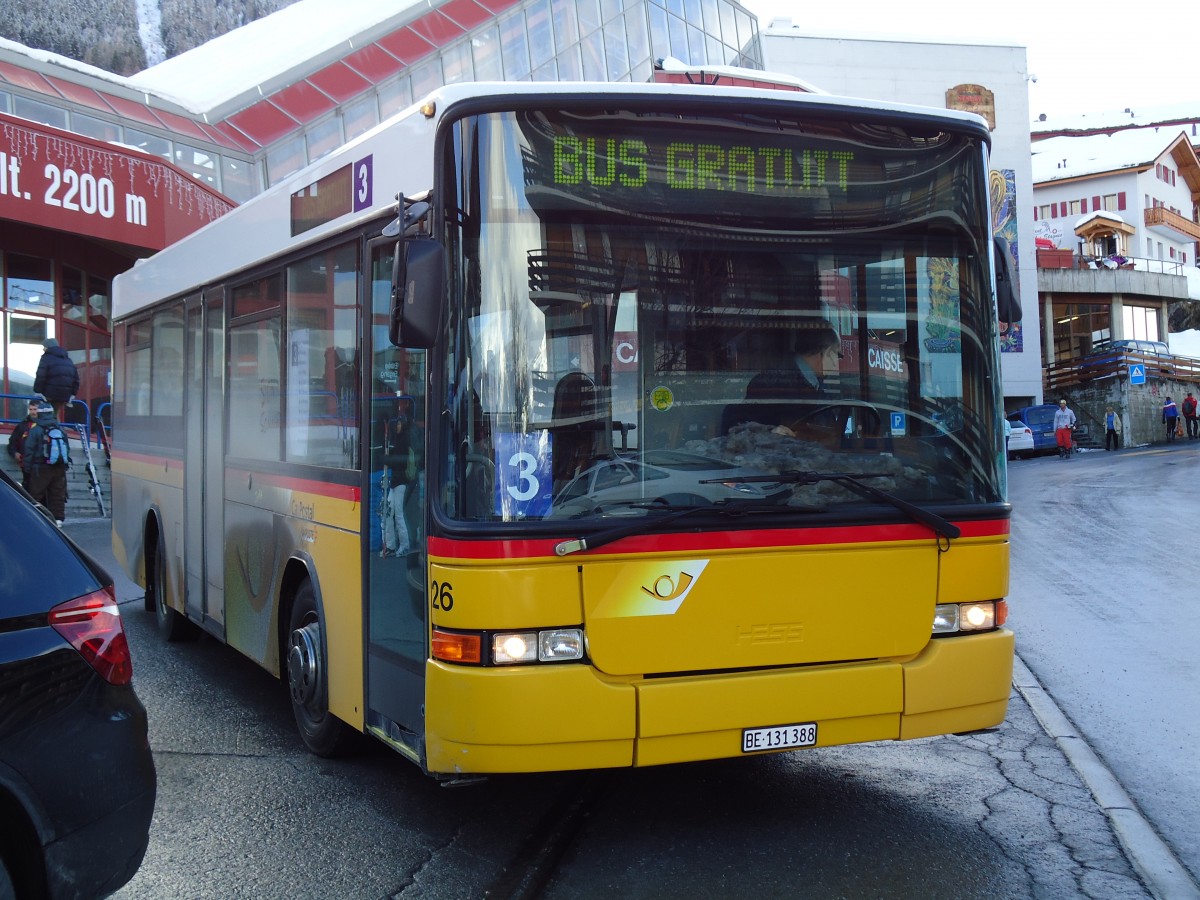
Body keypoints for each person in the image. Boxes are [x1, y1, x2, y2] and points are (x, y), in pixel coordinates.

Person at [21, 401, 70, 525]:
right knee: (58, 494)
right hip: (59, 467)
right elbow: (67, 448)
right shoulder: (60, 429)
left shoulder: (36, 430)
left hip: (40, 468)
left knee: (35, 494)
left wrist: (27, 469)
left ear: (39, 414)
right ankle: (58, 520)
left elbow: (29, 450)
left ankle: (34, 520)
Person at [33, 338, 80, 420]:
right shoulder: (68, 360)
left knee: (42, 414)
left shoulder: (46, 358)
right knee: (55, 414)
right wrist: (73, 394)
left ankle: (45, 431)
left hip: (49, 394)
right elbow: (76, 379)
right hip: (64, 395)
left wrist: (37, 391)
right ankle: (55, 430)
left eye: (44, 347)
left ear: (48, 347)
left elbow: (41, 375)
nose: (43, 349)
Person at [6, 398, 40, 488]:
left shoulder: (45, 425)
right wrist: (14, 453)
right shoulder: (22, 425)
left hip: (41, 464)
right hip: (26, 463)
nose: (33, 412)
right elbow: (12, 442)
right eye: (31, 409)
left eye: (35, 409)